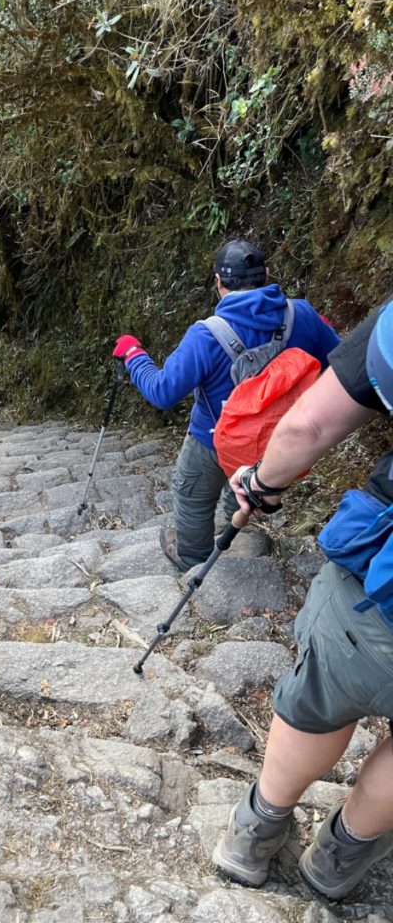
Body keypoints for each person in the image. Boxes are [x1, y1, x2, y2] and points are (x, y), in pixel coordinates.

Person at [212, 299, 393, 899]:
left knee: (322, 694)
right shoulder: (303, 312)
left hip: (376, 597)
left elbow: (307, 426)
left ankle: (253, 835)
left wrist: (261, 485)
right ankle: (337, 861)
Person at [112, 238, 340, 571]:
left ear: (218, 281)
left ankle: (193, 560)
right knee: (248, 480)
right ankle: (237, 529)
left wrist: (133, 355)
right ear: (266, 274)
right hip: (276, 439)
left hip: (212, 439)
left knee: (192, 495)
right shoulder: (302, 315)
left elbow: (162, 392)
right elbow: (339, 365)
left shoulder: (206, 335)